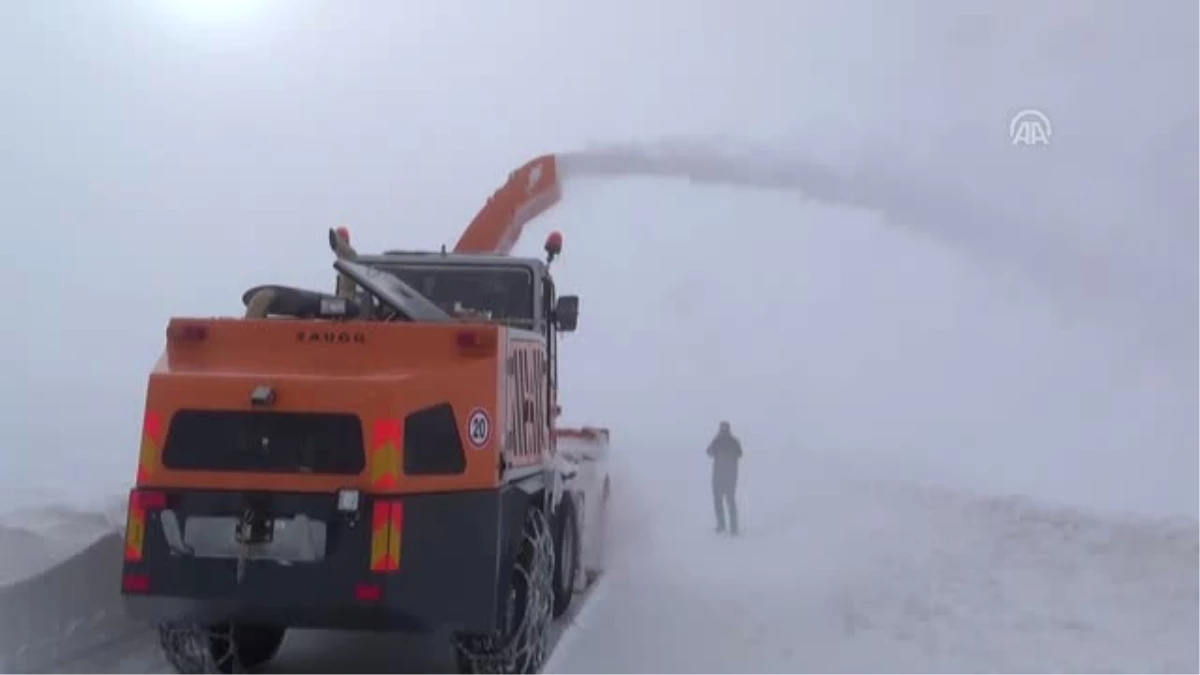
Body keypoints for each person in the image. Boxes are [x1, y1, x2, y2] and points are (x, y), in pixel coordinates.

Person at [706, 421, 742, 535]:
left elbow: (709, 452)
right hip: (730, 475)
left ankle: (723, 526)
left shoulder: (718, 440)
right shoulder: (733, 441)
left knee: (720, 501)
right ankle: (733, 528)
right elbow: (739, 454)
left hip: (720, 475)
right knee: (729, 501)